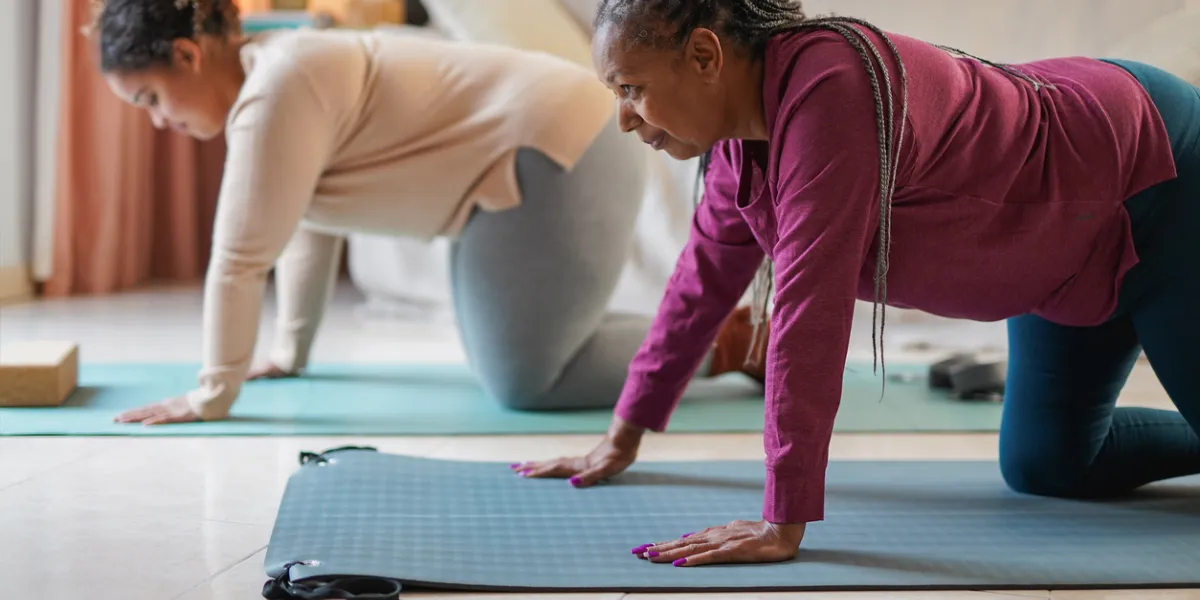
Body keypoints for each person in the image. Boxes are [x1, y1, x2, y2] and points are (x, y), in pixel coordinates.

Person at [514, 0, 1200, 568]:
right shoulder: (735, 144)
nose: (625, 118)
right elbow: (700, 283)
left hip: (1154, 178)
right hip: (1062, 242)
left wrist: (783, 519)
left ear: (704, 57)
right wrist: (623, 434)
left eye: (631, 87)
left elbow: (808, 314)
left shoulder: (831, 89)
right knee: (1048, 468)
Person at [92, 0, 766, 425]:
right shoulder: (278, 77)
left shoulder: (276, 86)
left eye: (152, 98)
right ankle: (716, 328)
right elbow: (306, 225)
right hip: (506, 179)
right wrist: (287, 354)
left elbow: (240, 258)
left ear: (187, 55)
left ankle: (733, 344)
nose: (160, 122)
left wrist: (211, 396)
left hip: (561, 146)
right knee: (517, 354)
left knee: (530, 379)